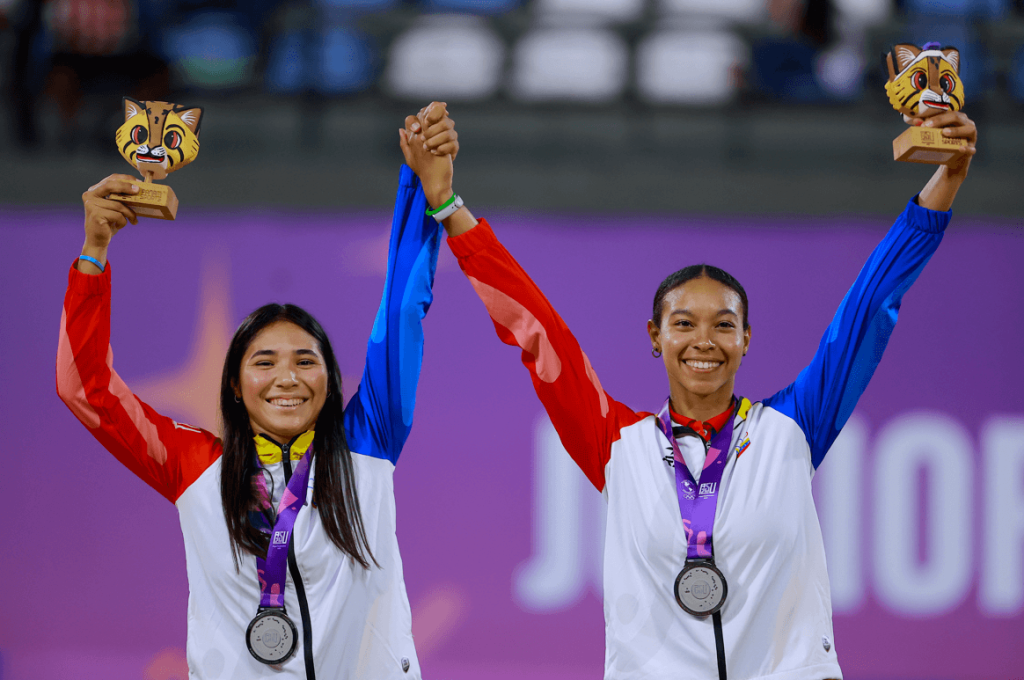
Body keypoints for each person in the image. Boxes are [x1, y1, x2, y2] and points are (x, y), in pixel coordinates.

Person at [405, 109, 978, 679]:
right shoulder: (616, 444)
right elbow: (535, 330)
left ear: (746, 339)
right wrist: (449, 207)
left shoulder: (792, 427)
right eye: (683, 323)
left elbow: (869, 306)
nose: (704, 340)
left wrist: (946, 180)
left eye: (723, 325)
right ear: (656, 337)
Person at [56, 102, 458, 680]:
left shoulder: (369, 443)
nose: (287, 378)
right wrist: (93, 254)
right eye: (264, 362)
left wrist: (422, 186)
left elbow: (401, 307)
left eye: (305, 361)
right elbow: (84, 388)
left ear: (330, 380)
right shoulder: (195, 466)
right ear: (236, 387)